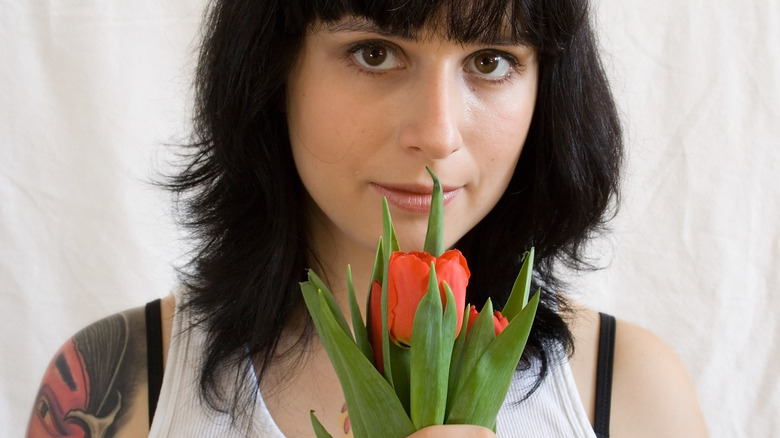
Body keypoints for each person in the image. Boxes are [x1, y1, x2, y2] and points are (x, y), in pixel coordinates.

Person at [26, 0, 709, 437]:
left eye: (491, 60)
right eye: (376, 52)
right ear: (272, 70)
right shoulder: (119, 383)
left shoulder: (629, 393)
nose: (438, 134)